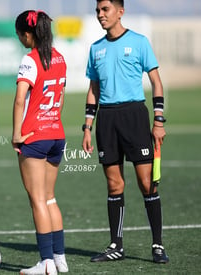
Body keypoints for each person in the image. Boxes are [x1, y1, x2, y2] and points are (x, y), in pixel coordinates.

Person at [82, 0, 169, 264]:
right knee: (114, 184)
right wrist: (87, 127)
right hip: (106, 120)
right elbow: (93, 90)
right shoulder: (95, 48)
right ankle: (116, 245)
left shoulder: (140, 42)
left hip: (134, 116)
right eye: (98, 10)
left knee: (146, 183)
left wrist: (159, 121)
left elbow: (156, 82)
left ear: (120, 11)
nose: (100, 15)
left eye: (105, 10)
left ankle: (157, 244)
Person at [12, 10, 69, 275]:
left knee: (37, 200)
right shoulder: (59, 58)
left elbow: (20, 99)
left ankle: (46, 264)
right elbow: (61, 96)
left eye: (20, 34)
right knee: (49, 198)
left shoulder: (30, 59)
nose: (20, 39)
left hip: (35, 137)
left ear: (27, 34)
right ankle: (59, 258)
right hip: (57, 133)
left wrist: (17, 134)